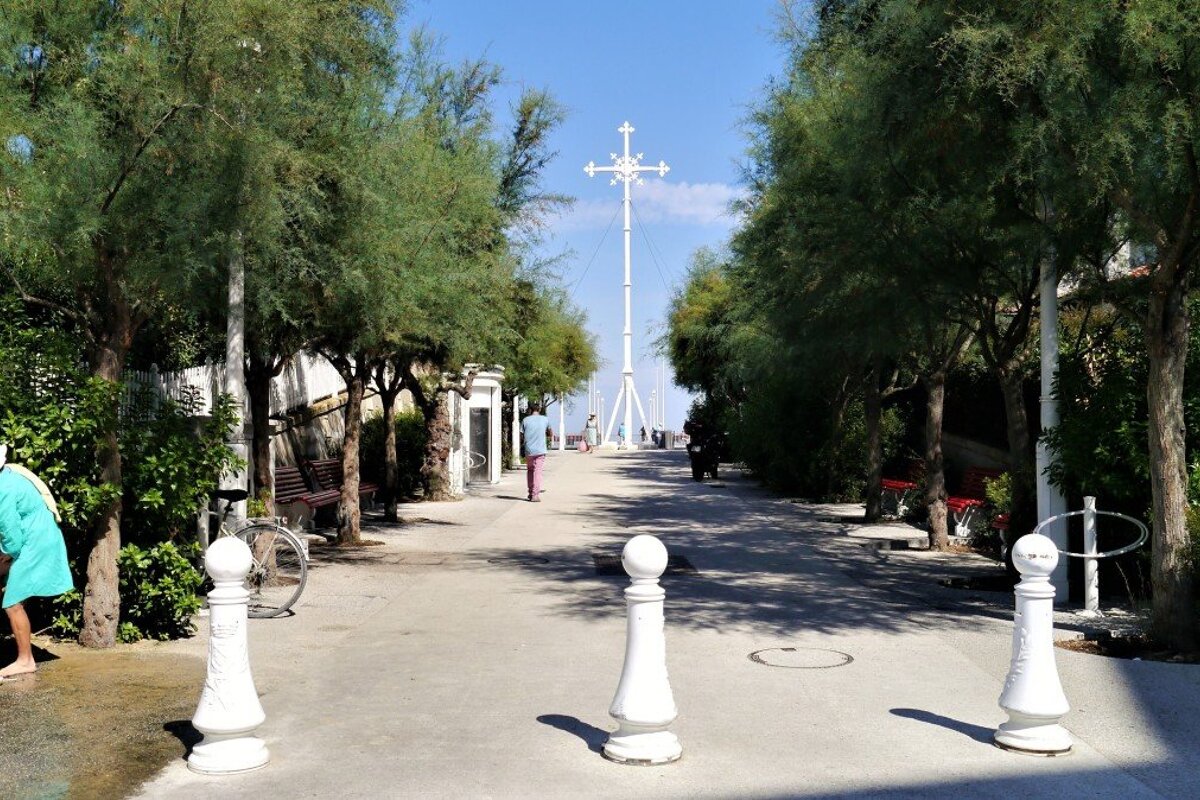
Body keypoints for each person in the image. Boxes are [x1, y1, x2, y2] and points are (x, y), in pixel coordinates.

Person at [0, 444, 73, 679]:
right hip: (32, 535)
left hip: (34, 540)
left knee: (13, 601)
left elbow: (11, 539)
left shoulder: (4, 488)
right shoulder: (8, 474)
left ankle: (25, 661)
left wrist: (5, 558)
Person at [520, 404, 550, 502]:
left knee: (530, 470)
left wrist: (522, 447)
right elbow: (550, 433)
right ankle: (535, 495)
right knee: (538, 472)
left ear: (530, 410)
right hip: (540, 450)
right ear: (539, 409)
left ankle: (530, 492)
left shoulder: (525, 420)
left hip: (529, 450)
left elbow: (521, 435)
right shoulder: (545, 419)